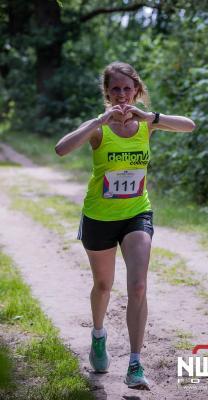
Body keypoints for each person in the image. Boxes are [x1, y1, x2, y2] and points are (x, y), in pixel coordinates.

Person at [55, 61, 196, 390]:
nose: (121, 95)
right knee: (103, 287)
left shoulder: (147, 125)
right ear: (107, 92)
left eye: (127, 88)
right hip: (99, 217)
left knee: (138, 286)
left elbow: (189, 125)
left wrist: (153, 118)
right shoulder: (99, 128)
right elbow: (61, 149)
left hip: (136, 213)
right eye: (115, 89)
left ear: (137, 91)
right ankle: (99, 335)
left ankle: (134, 363)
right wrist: (97, 120)